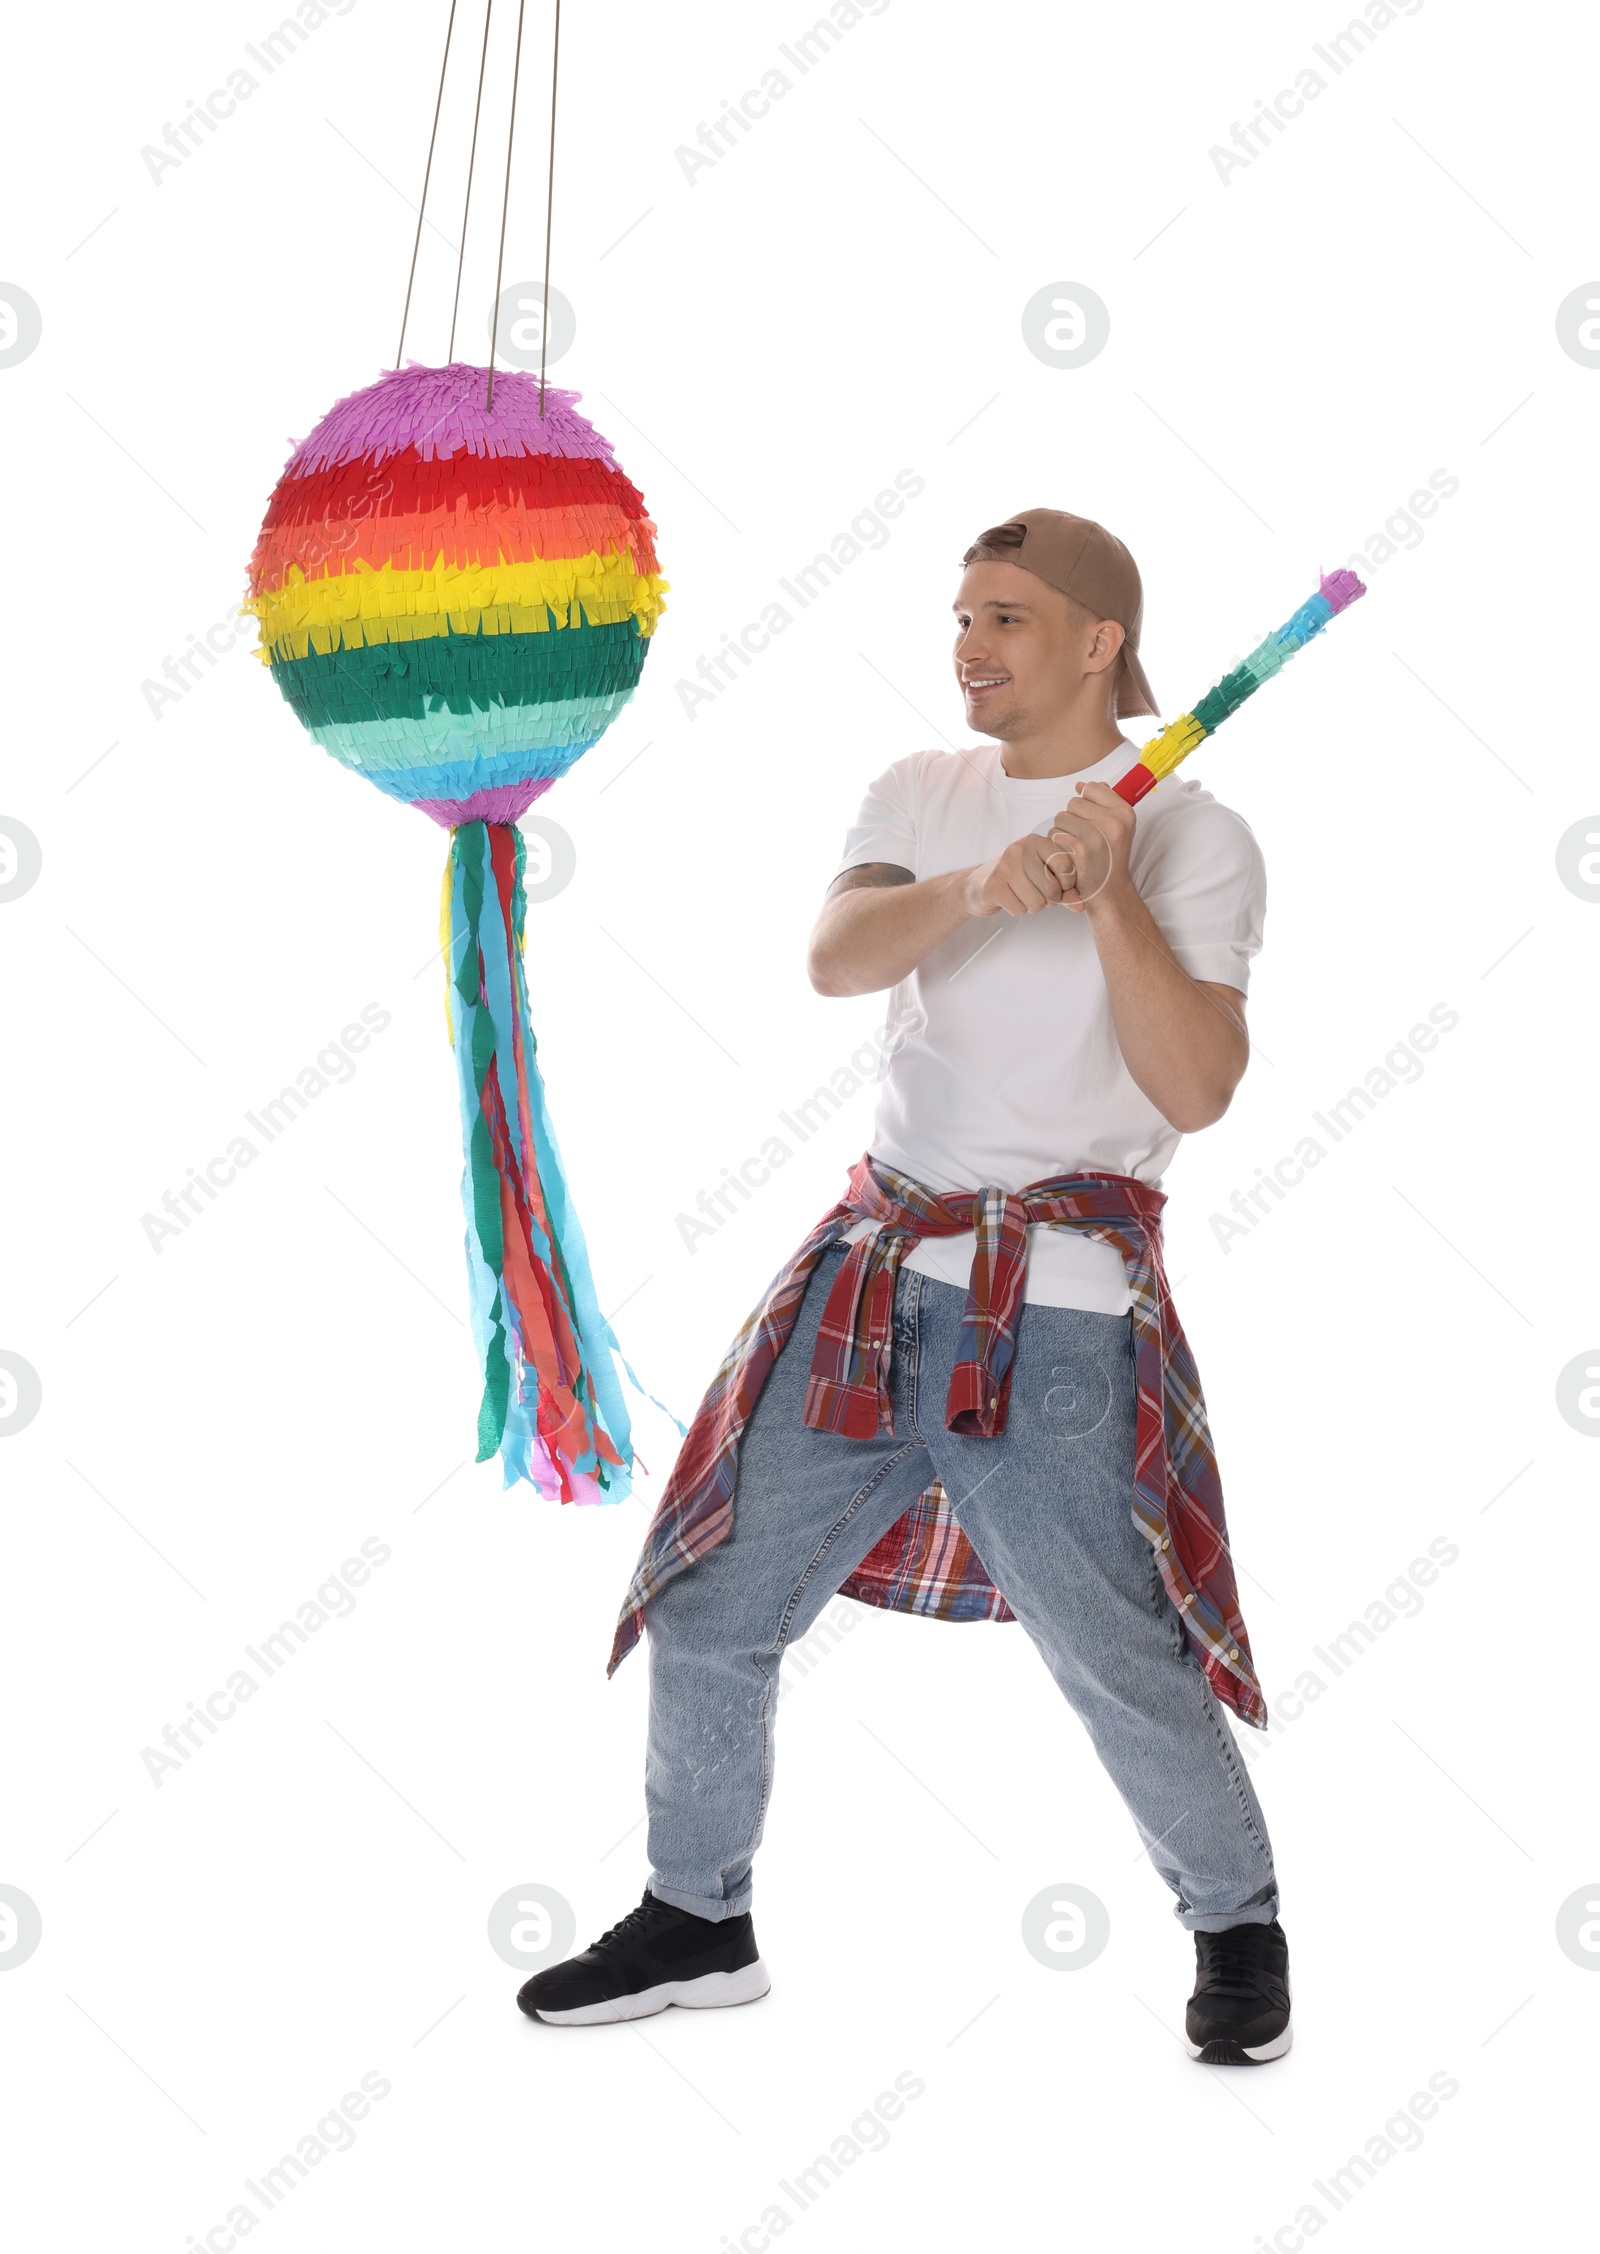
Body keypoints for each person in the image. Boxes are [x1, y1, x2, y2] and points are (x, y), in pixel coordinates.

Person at [517, 509, 1292, 2065]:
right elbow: (839, 954)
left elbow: (1198, 1086)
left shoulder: (1198, 834)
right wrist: (986, 886)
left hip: (1060, 1305)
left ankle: (1236, 1922)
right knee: (716, 1592)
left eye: (1007, 617)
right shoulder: (918, 791)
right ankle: (699, 1912)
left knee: (1112, 1644)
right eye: (961, 615)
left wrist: (1107, 892)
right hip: (872, 1275)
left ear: (1096, 644)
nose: (969, 644)